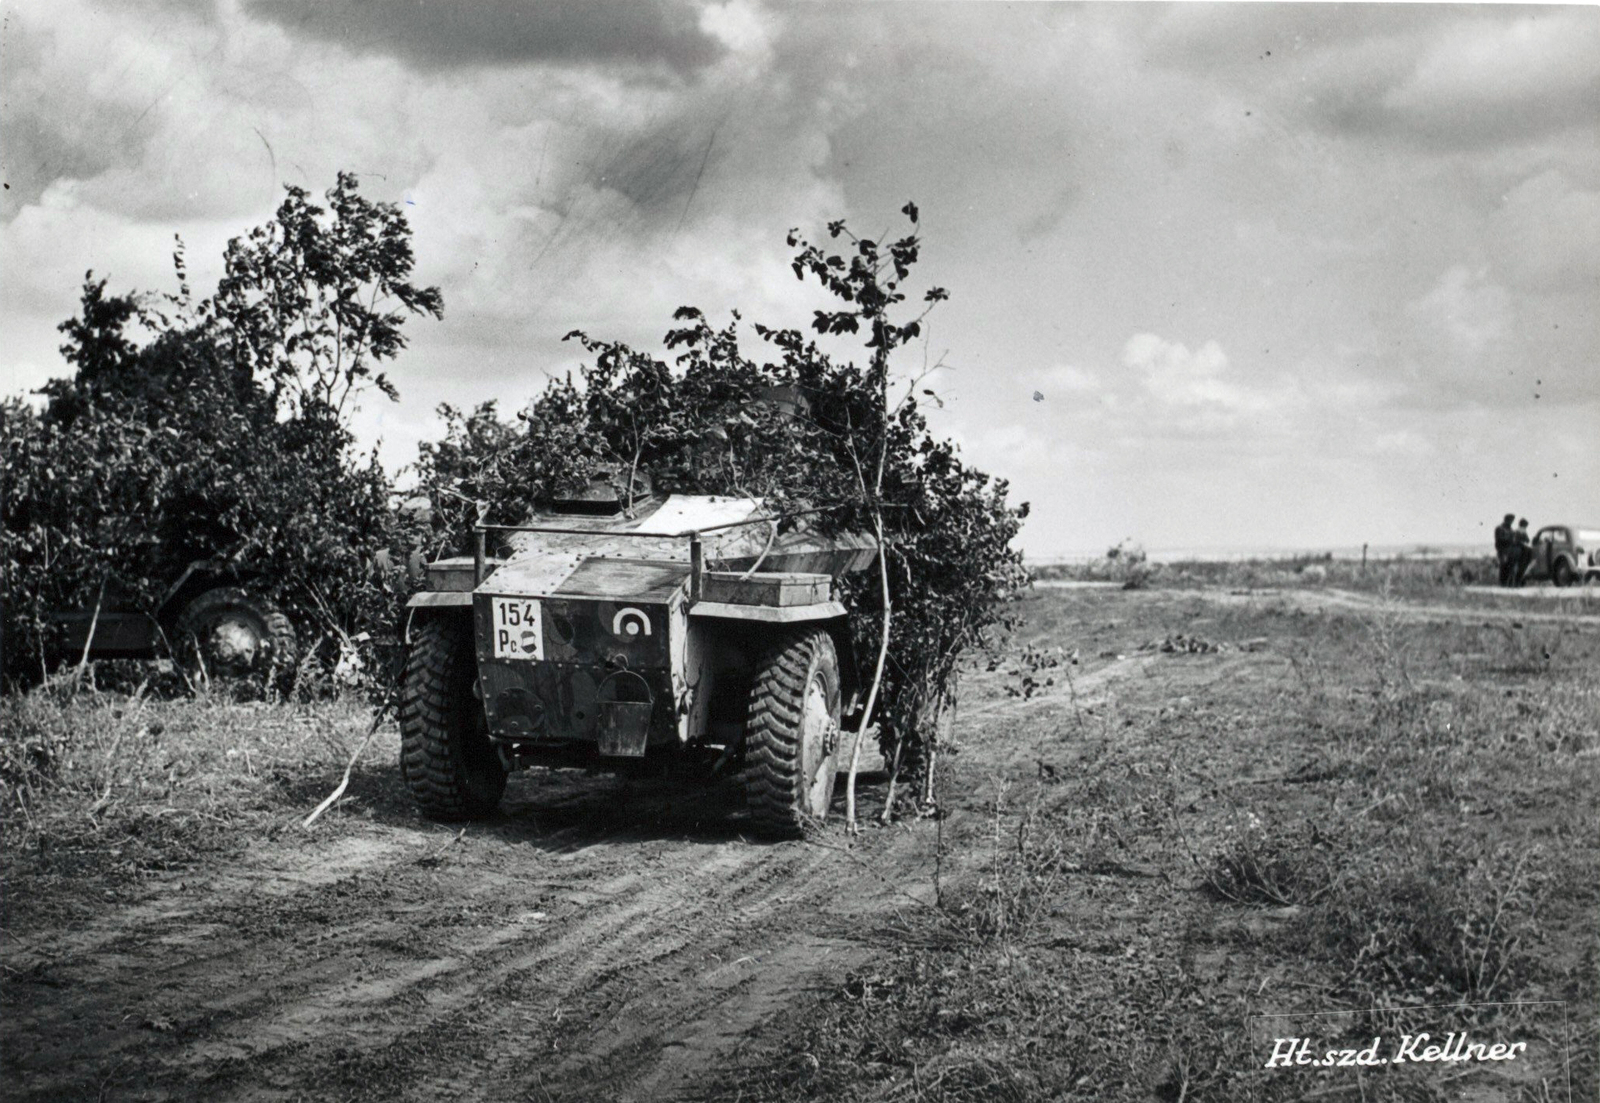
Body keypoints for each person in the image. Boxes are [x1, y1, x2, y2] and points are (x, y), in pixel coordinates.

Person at [1494, 513, 1516, 587]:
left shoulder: (1510, 529)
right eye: (1511, 520)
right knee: (1503, 566)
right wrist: (1510, 539)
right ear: (1507, 520)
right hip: (1503, 550)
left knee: (1509, 567)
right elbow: (1499, 539)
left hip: (1510, 550)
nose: (1512, 522)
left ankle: (1508, 583)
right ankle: (1503, 583)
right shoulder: (1500, 528)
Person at [1514, 518, 1534, 587]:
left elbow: (1527, 540)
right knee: (1521, 566)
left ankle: (1519, 582)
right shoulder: (1519, 531)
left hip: (1523, 550)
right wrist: (1523, 543)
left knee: (1522, 566)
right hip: (1520, 550)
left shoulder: (1521, 531)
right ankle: (1518, 582)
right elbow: (1517, 541)